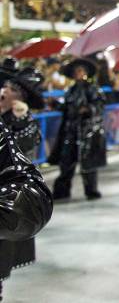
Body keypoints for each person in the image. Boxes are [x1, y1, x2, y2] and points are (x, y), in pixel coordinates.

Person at [0, 67, 52, 298]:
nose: (4, 92)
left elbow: (26, 151)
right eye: (5, 88)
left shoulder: (22, 119)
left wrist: (20, 122)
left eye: (11, 90)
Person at [47, 58, 106, 201]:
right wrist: (55, 105)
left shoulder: (92, 88)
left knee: (88, 163)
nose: (78, 73)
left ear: (86, 72)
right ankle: (62, 192)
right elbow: (67, 108)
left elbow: (99, 105)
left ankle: (91, 190)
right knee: (66, 161)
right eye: (76, 71)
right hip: (71, 130)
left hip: (87, 130)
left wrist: (88, 109)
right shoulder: (71, 90)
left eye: (80, 71)